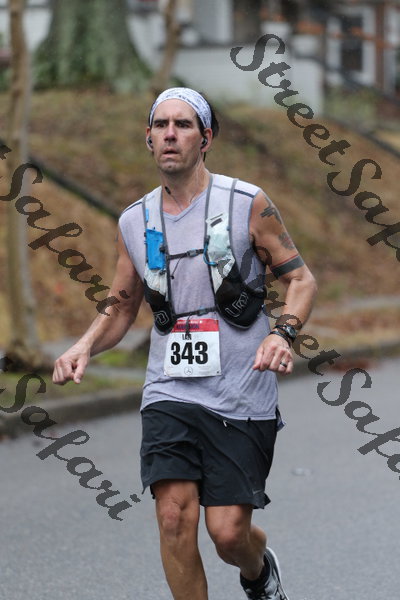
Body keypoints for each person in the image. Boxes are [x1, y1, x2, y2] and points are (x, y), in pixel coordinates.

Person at [53, 87, 317, 600]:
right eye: (161, 125)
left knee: (228, 534)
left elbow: (301, 280)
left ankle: (258, 568)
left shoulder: (246, 202)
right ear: (148, 139)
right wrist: (83, 346)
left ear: (205, 138)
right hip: (169, 389)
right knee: (173, 517)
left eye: (183, 124)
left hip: (241, 389)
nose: (170, 134)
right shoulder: (136, 220)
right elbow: (122, 306)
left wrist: (282, 333)